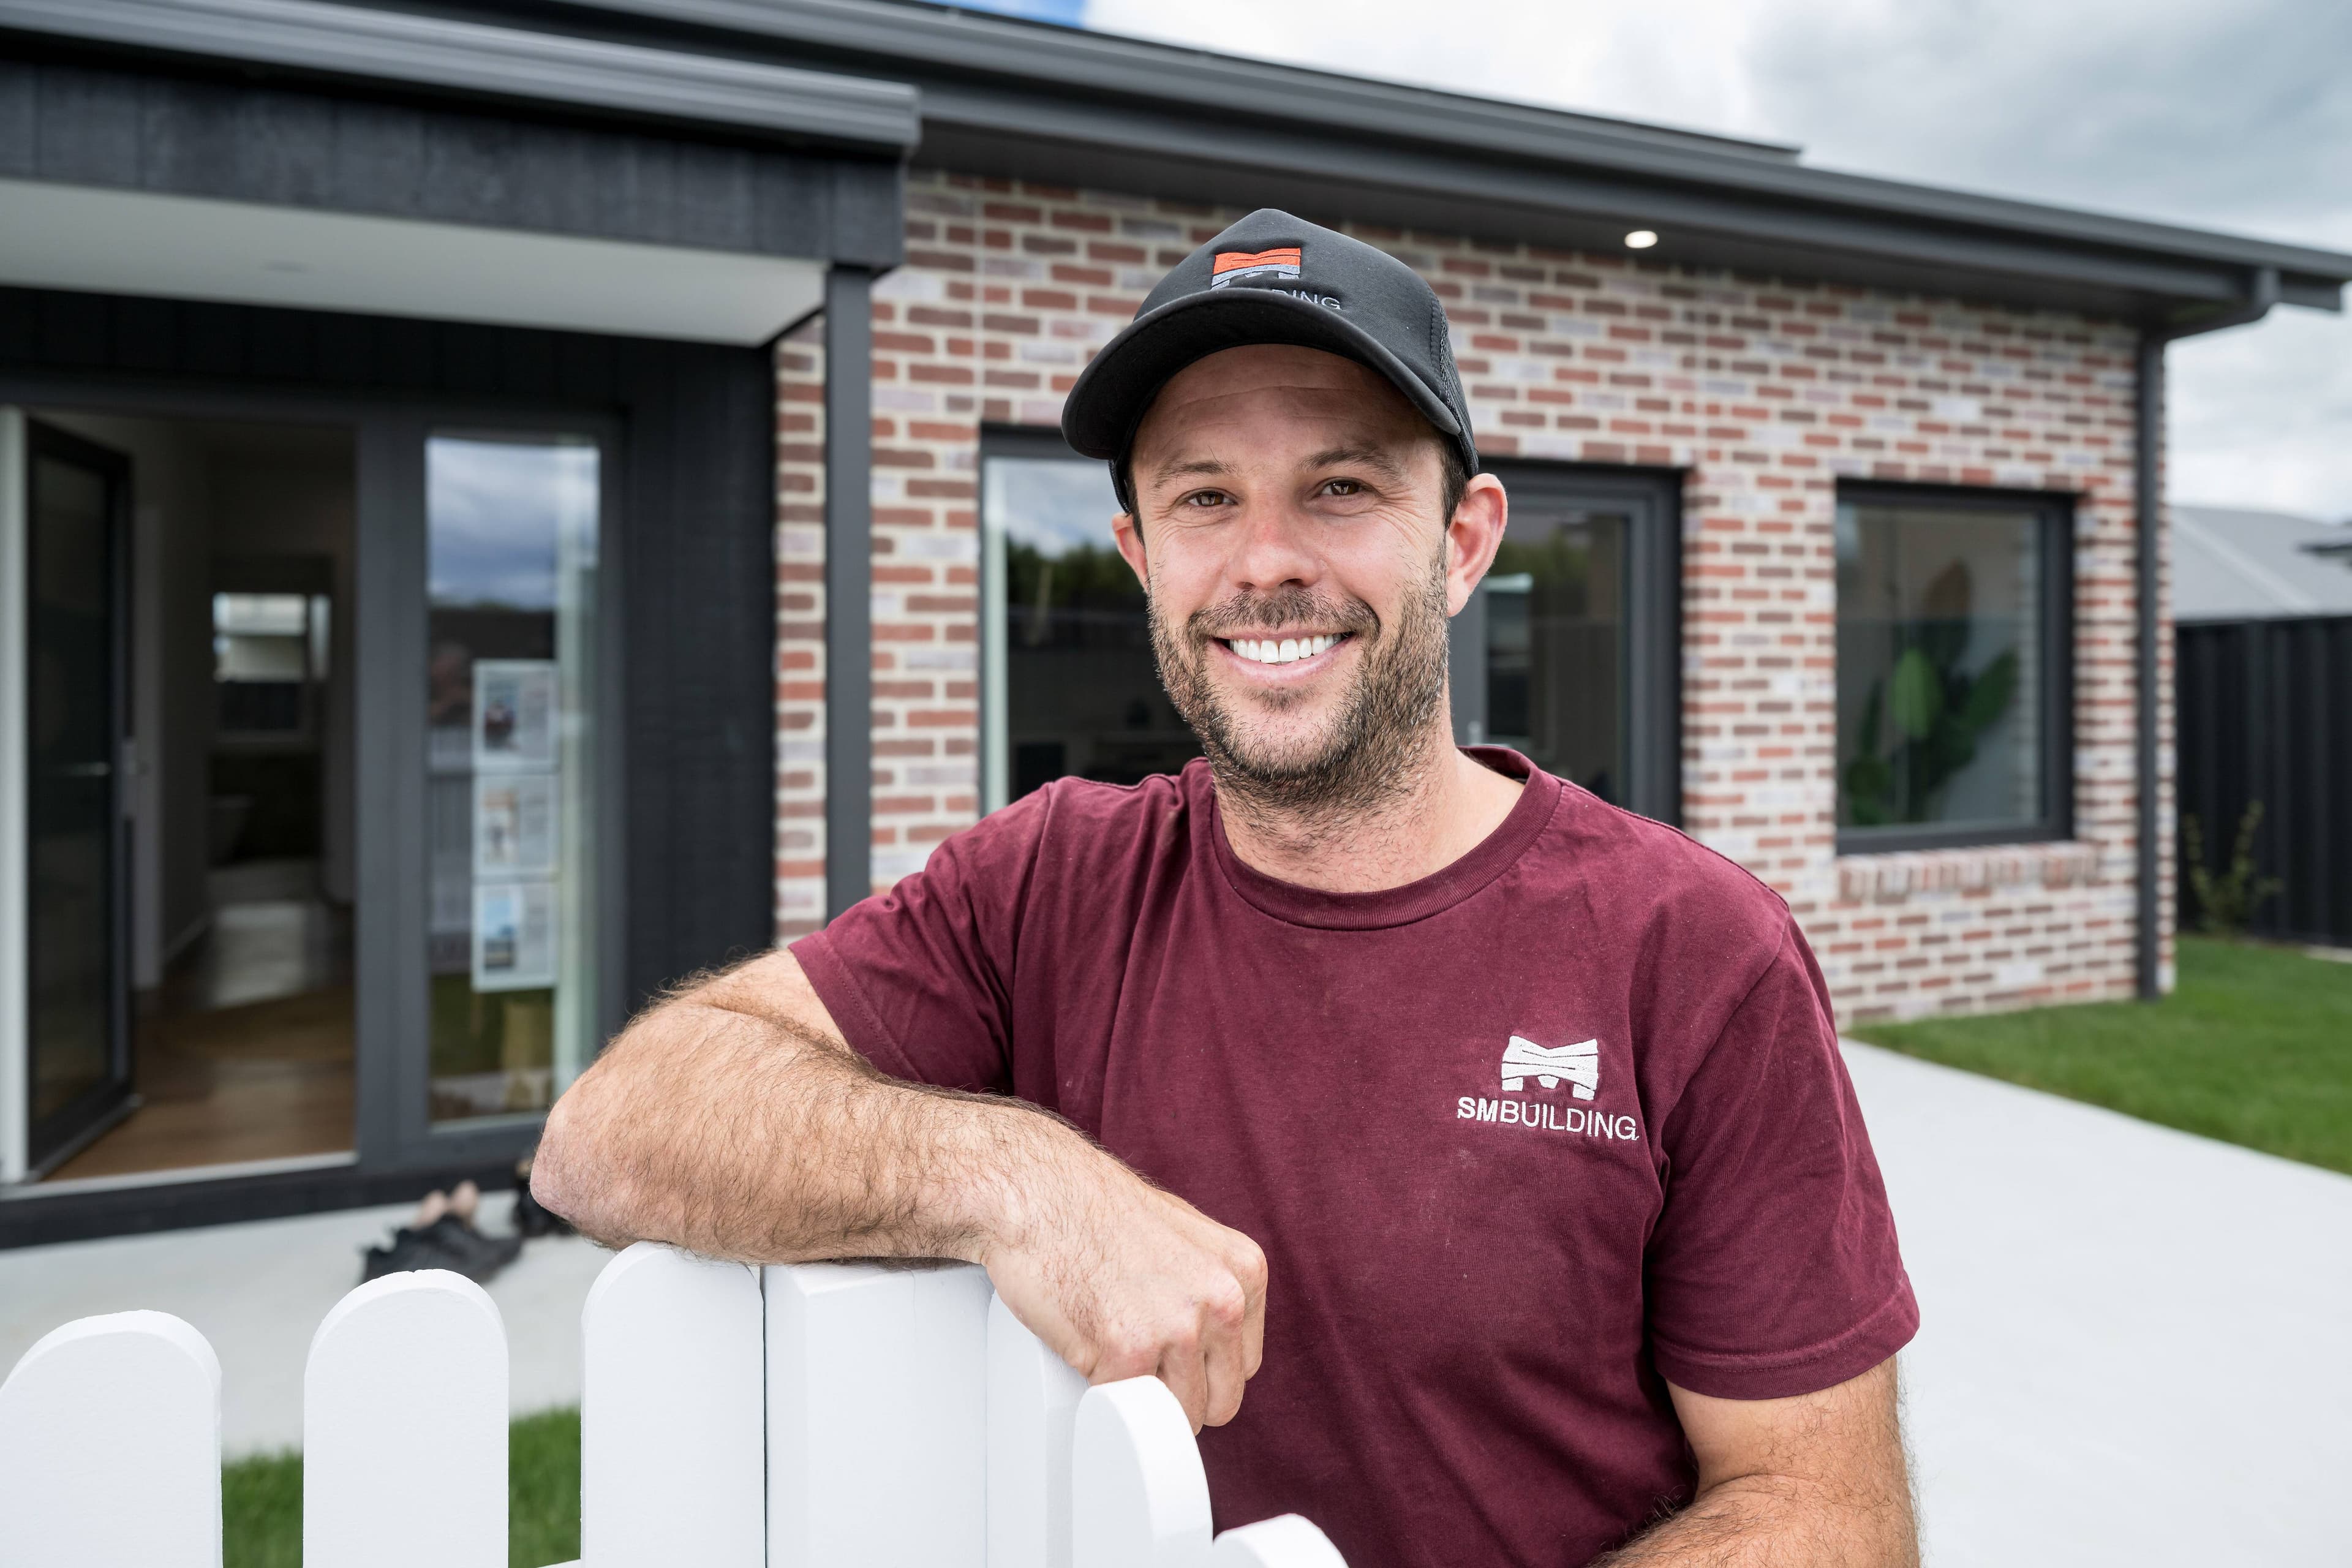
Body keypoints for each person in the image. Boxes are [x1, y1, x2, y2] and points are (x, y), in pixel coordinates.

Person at [532, 209, 1920, 1568]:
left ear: (1464, 539)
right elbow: (608, 1131)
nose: (1265, 563)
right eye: (1204, 495)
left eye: (1342, 486)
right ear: (1141, 554)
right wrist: (1021, 1182)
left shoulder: (1687, 946)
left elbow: (1830, 1515)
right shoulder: (1051, 884)